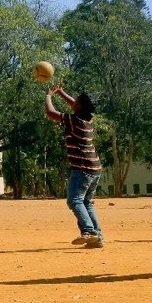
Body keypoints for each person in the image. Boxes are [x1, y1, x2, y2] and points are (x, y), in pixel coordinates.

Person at [45, 84, 103, 248]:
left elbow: (50, 113)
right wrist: (61, 93)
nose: (73, 102)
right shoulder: (87, 118)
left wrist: (49, 95)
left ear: (80, 106)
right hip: (94, 167)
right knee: (86, 202)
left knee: (74, 200)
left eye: (76, 101)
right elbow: (74, 104)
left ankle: (89, 231)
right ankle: (97, 237)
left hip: (83, 168)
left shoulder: (74, 120)